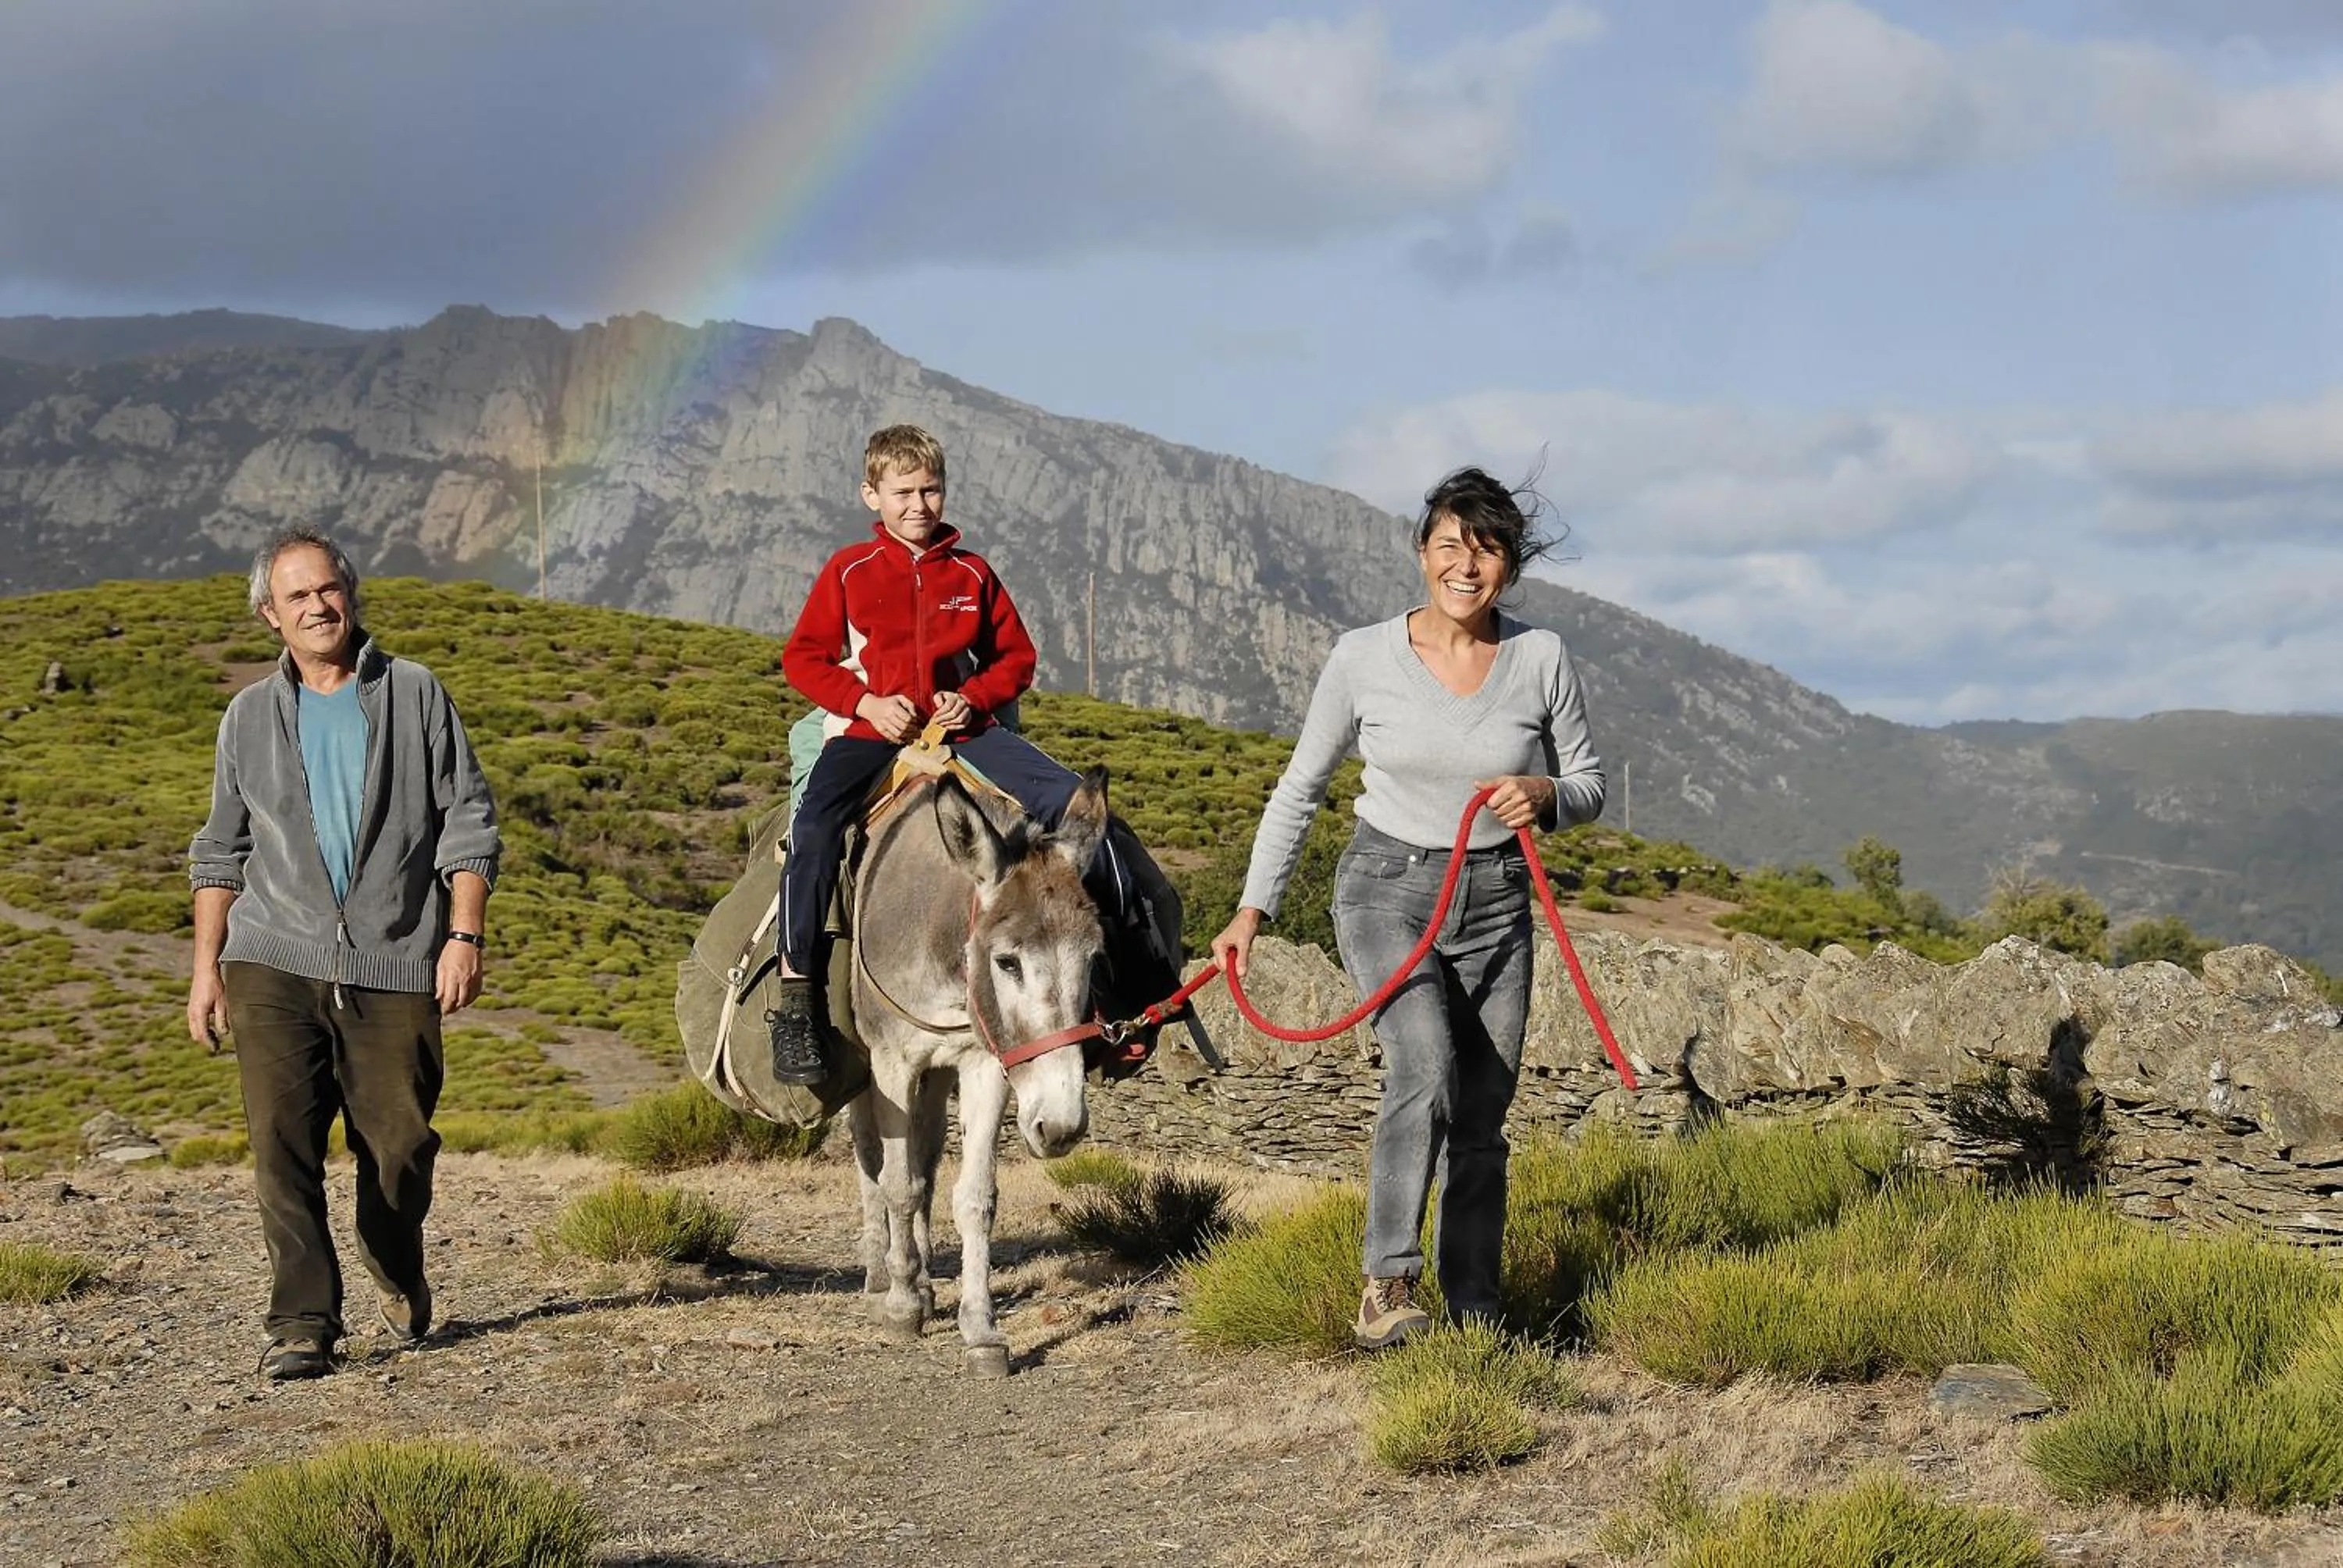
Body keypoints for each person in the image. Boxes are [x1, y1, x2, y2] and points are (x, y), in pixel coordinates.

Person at [1210, 467, 1605, 1351]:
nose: (1467, 565)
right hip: (1386, 889)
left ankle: (1474, 1309)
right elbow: (1300, 788)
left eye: (1488, 549)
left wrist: (1546, 793)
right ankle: (1386, 1284)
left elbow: (1589, 782)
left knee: (1483, 1111)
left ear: (1509, 565)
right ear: (1422, 553)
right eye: (1450, 545)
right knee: (1422, 1063)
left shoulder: (1542, 657)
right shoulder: (1362, 657)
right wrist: (1251, 910)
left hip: (1497, 901)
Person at [187, 527, 501, 1381]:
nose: (318, 606)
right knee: (281, 1145)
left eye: (328, 589)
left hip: (395, 958)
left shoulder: (415, 692)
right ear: (270, 614)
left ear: (351, 595)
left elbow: (469, 823)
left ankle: (393, 1259)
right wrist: (207, 968)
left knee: (400, 1148)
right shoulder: (249, 715)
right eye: (297, 596)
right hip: (271, 956)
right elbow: (221, 850)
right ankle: (302, 1322)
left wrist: (463, 935)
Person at [769, 424, 1157, 1083]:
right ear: (871, 495)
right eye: (903, 493)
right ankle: (797, 1003)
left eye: (930, 490)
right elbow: (802, 659)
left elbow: (1016, 659)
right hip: (871, 733)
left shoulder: (972, 573)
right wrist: (866, 704)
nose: (918, 505)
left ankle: (1131, 986)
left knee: (1079, 807)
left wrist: (972, 699)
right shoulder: (849, 571)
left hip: (966, 731)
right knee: (811, 831)